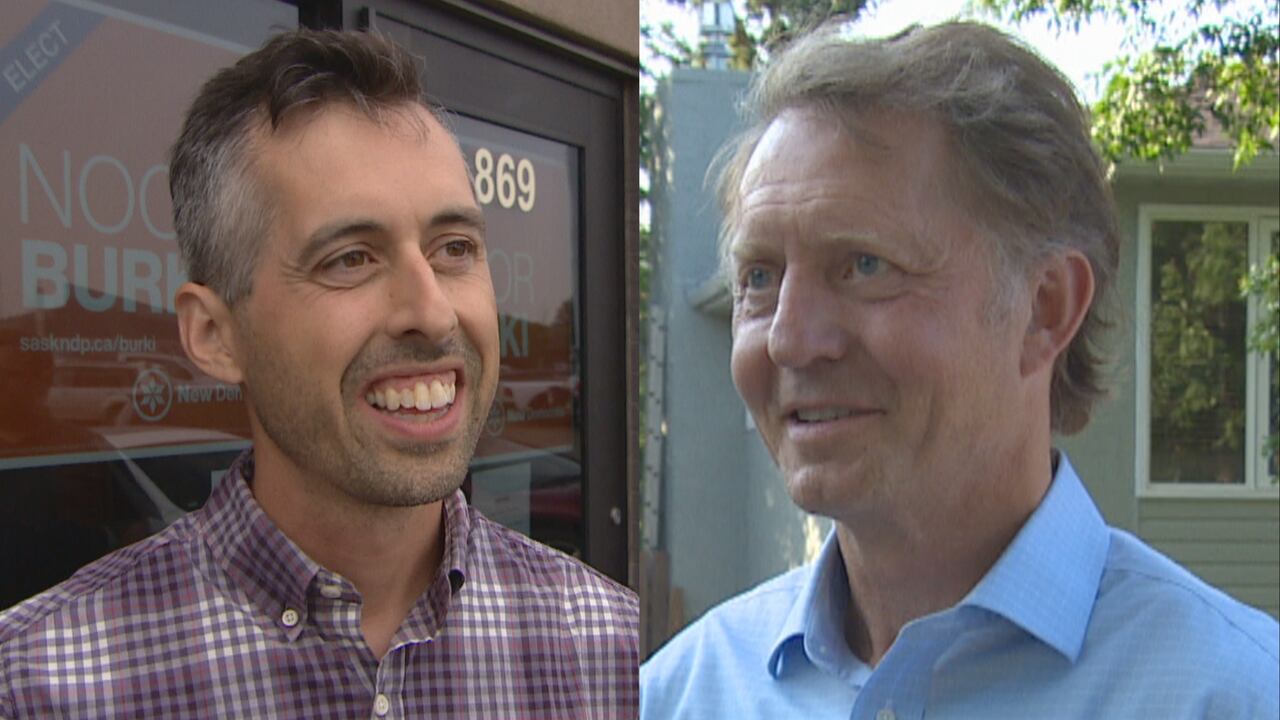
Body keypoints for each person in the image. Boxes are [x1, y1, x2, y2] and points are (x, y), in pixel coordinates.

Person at [641, 20, 1279, 719]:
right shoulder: (680, 694)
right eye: (759, 277)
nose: (790, 339)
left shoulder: (1233, 696)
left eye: (863, 266)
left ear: (1044, 309)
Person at [0, 29, 637, 718]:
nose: (432, 312)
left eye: (454, 248)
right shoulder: (44, 686)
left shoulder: (609, 653)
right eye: (350, 259)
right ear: (215, 336)